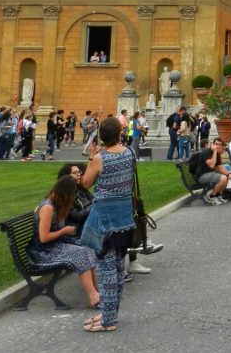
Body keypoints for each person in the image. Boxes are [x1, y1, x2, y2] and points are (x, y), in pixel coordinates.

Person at [80, 117, 136, 333]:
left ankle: (108, 321)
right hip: (124, 218)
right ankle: (108, 312)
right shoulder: (129, 153)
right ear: (120, 133)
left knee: (106, 271)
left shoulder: (100, 158)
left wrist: (92, 156)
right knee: (117, 268)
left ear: (102, 136)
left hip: (105, 219)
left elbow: (86, 182)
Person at [28, 174, 99, 308]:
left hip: (56, 245)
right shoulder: (48, 207)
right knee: (80, 254)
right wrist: (63, 231)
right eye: (72, 194)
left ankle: (97, 292)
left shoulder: (58, 204)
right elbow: (43, 238)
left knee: (88, 248)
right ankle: (93, 296)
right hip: (43, 252)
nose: (73, 198)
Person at [195, 138, 231, 204]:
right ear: (213, 144)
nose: (218, 146)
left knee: (226, 177)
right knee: (223, 178)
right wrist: (215, 152)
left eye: (219, 144)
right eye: (216, 144)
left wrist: (229, 174)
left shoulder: (217, 154)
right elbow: (211, 165)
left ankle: (218, 195)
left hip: (210, 174)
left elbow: (220, 168)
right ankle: (211, 196)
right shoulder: (206, 152)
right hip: (201, 176)